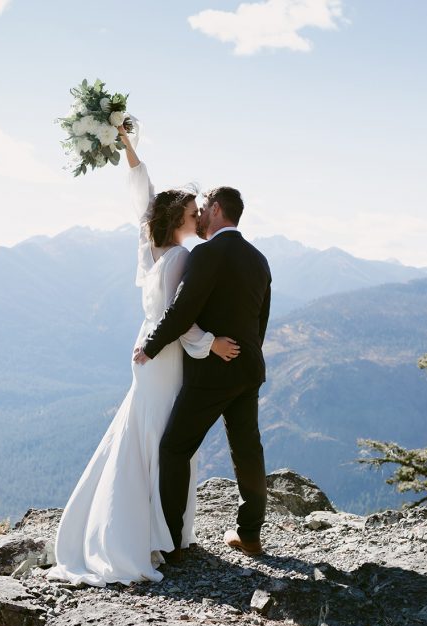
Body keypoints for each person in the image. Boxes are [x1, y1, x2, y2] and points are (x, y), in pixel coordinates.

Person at [46, 127, 240, 586]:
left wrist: (128, 147)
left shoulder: (151, 244)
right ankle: (161, 533)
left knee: (145, 435)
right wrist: (210, 342)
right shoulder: (182, 258)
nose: (199, 218)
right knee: (167, 442)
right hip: (167, 354)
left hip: (145, 351)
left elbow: (143, 196)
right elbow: (180, 317)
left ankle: (153, 529)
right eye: (194, 213)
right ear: (180, 218)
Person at [133, 175, 271, 560]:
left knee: (175, 448)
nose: (199, 218)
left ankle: (173, 543)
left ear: (215, 210)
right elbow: (260, 321)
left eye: (203, 208)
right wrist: (244, 354)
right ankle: (250, 535)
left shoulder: (207, 254)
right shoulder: (259, 260)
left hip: (211, 374)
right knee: (247, 451)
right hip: (247, 370)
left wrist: (151, 346)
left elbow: (182, 310)